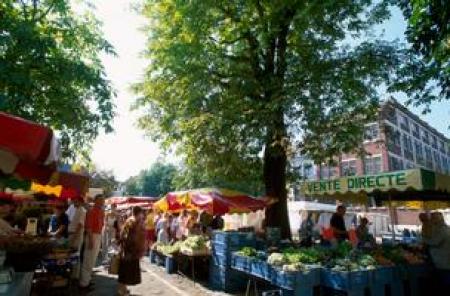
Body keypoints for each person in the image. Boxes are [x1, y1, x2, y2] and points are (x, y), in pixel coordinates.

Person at [117, 206, 146, 296]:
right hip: (130, 250)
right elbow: (134, 237)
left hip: (126, 248)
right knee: (126, 271)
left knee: (124, 270)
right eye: (141, 213)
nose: (142, 215)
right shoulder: (135, 221)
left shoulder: (129, 220)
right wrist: (138, 250)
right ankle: (121, 291)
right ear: (139, 213)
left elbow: (122, 234)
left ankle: (123, 289)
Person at [79, 195, 105, 290]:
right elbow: (89, 227)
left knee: (92, 260)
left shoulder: (101, 212)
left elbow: (101, 226)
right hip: (92, 236)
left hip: (97, 235)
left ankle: (87, 280)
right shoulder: (91, 211)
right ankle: (83, 284)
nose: (102, 202)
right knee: (88, 260)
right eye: (101, 200)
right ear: (95, 201)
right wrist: (90, 240)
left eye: (103, 200)